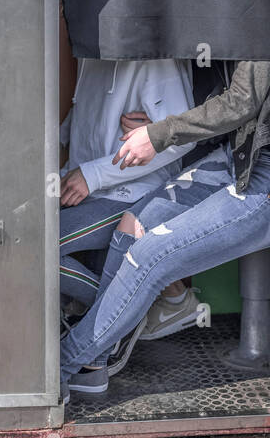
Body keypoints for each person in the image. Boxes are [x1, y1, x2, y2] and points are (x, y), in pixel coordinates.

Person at [61, 59, 270, 397]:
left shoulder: (255, 21)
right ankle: (94, 362)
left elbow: (243, 101)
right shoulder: (212, 42)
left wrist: (161, 132)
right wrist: (167, 125)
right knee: (130, 229)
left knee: (147, 256)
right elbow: (224, 107)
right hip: (234, 151)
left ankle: (62, 364)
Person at [59, 57, 195, 310]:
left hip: (133, 193)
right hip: (86, 189)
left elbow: (182, 139)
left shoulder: (154, 59)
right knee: (31, 235)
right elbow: (85, 120)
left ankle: (131, 311)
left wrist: (93, 175)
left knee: (39, 245)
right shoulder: (88, 51)